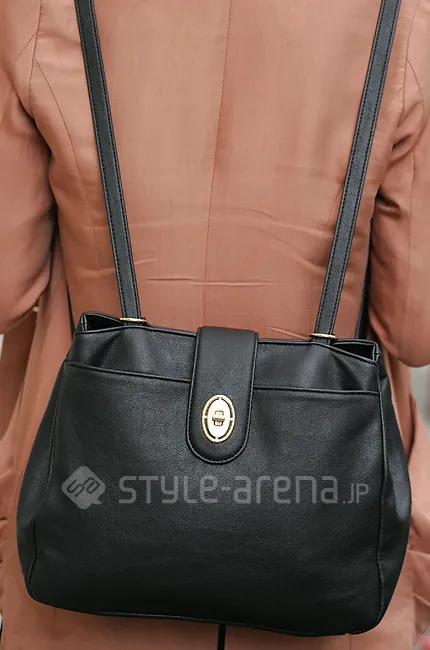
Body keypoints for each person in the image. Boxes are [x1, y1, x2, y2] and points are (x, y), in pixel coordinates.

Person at [0, 0, 429, 648]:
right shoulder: (406, 17)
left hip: (87, 518)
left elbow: (7, 287)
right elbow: (414, 325)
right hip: (320, 543)